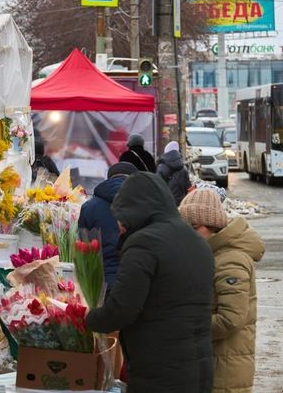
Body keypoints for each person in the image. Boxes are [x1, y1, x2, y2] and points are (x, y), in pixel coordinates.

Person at [85, 172, 215, 393]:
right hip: (198, 370)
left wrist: (85, 318)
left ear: (137, 210)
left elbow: (122, 309)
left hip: (159, 373)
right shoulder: (196, 241)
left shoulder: (144, 243)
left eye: (121, 214)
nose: (119, 223)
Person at [179, 188, 265, 393]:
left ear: (213, 225)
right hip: (215, 362)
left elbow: (230, 319)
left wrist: (182, 328)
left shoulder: (230, 260)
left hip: (225, 371)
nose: (189, 235)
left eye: (195, 227)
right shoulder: (211, 254)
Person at [78, 162, 138, 296]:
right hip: (138, 281)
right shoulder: (145, 204)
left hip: (103, 283)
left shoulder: (89, 207)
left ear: (109, 178)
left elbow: (83, 249)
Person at [157, 141, 191, 206]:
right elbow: (188, 187)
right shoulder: (184, 168)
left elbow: (157, 186)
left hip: (166, 203)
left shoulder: (162, 167)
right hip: (181, 203)